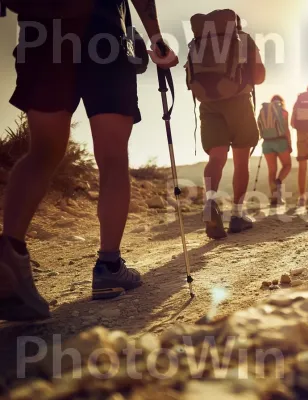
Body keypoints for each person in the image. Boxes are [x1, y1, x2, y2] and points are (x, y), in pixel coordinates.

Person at [0, 0, 179, 321]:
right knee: (112, 156)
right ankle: (109, 265)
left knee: (42, 151)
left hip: (40, 34)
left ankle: (10, 252)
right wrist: (156, 38)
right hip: (104, 34)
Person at [193, 12, 266, 239]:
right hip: (238, 104)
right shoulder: (243, 39)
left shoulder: (199, 43)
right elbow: (260, 75)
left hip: (208, 104)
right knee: (241, 159)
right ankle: (237, 215)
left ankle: (211, 202)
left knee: (216, 158)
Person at [257, 95, 292, 206]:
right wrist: (289, 144)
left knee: (272, 170)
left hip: (267, 143)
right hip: (280, 141)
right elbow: (286, 129)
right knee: (287, 165)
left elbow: (259, 127)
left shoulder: (264, 112)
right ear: (281, 102)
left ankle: (274, 197)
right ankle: (278, 182)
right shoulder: (283, 112)